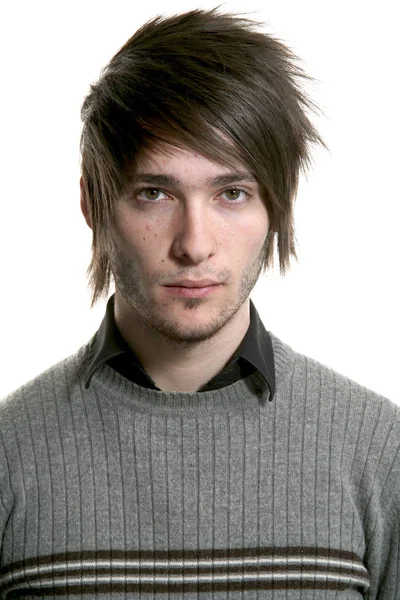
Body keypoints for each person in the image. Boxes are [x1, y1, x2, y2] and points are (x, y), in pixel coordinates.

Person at [0, 8, 398, 599]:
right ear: (93, 204)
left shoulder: (381, 451)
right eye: (154, 193)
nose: (194, 245)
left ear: (277, 207)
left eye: (232, 193)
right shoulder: (9, 455)